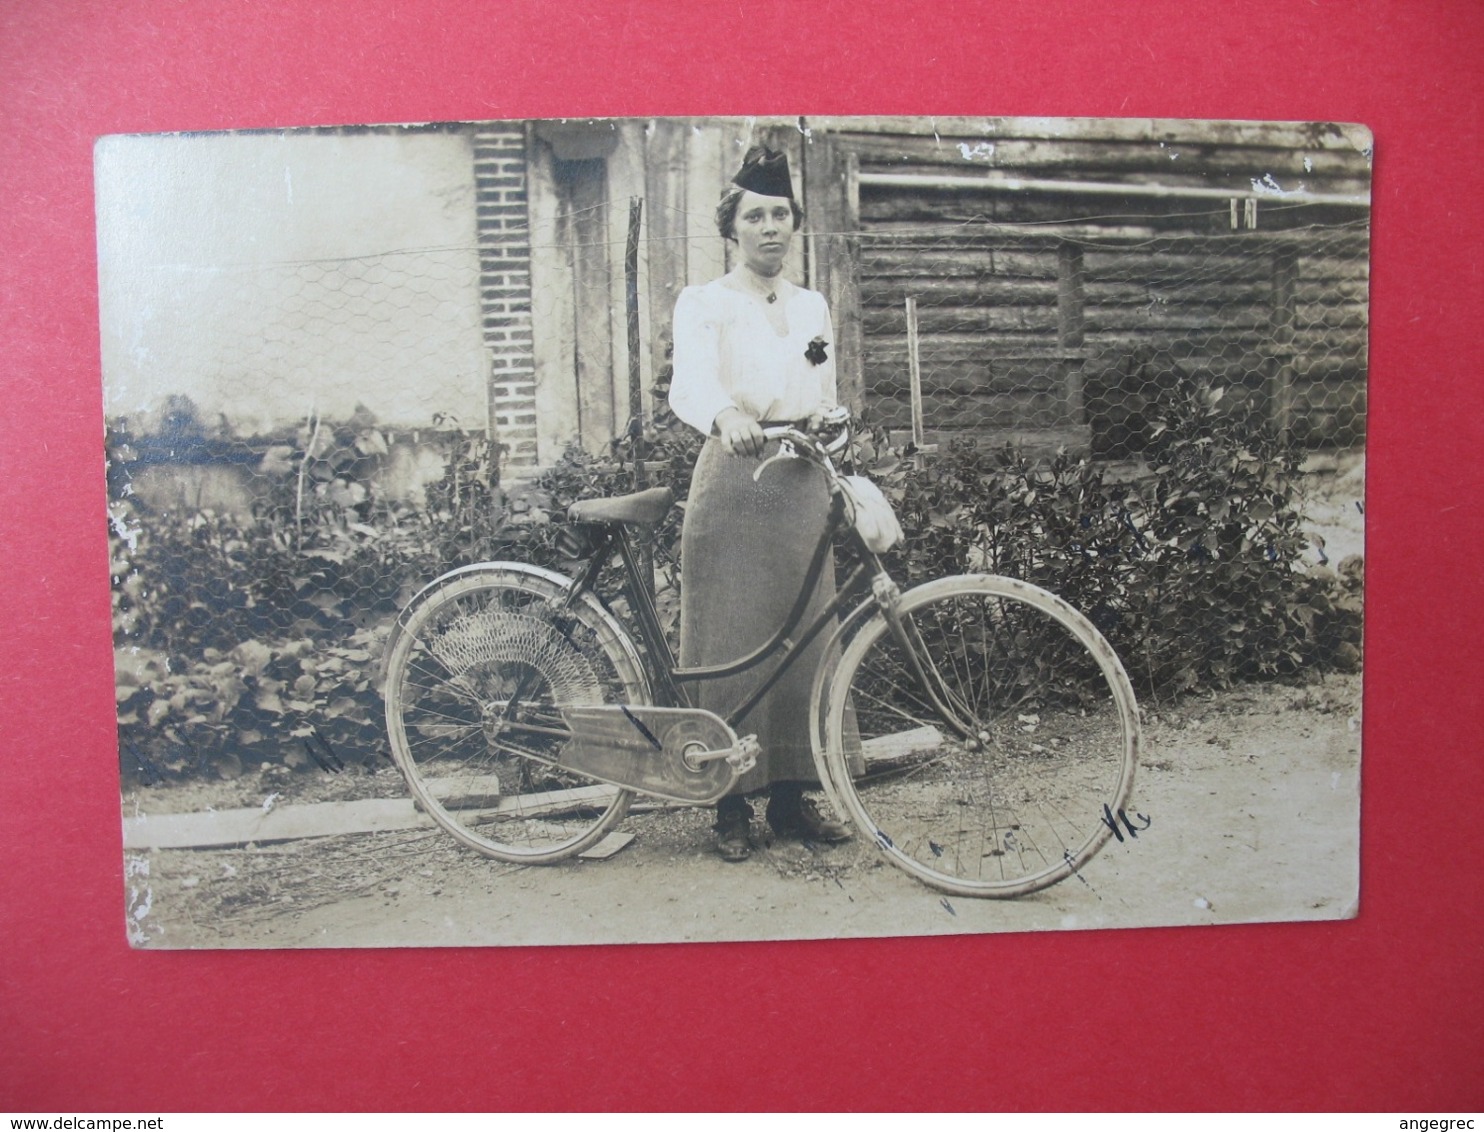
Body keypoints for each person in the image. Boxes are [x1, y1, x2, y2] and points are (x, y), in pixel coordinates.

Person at [668, 144, 858, 862]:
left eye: (781, 214)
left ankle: (791, 797)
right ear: (733, 227)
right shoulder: (706, 304)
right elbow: (690, 384)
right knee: (730, 644)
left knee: (803, 635)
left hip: (801, 482)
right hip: (736, 482)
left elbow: (822, 383)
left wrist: (832, 420)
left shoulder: (810, 304)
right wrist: (726, 417)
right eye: (756, 216)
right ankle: (726, 805)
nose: (771, 228)